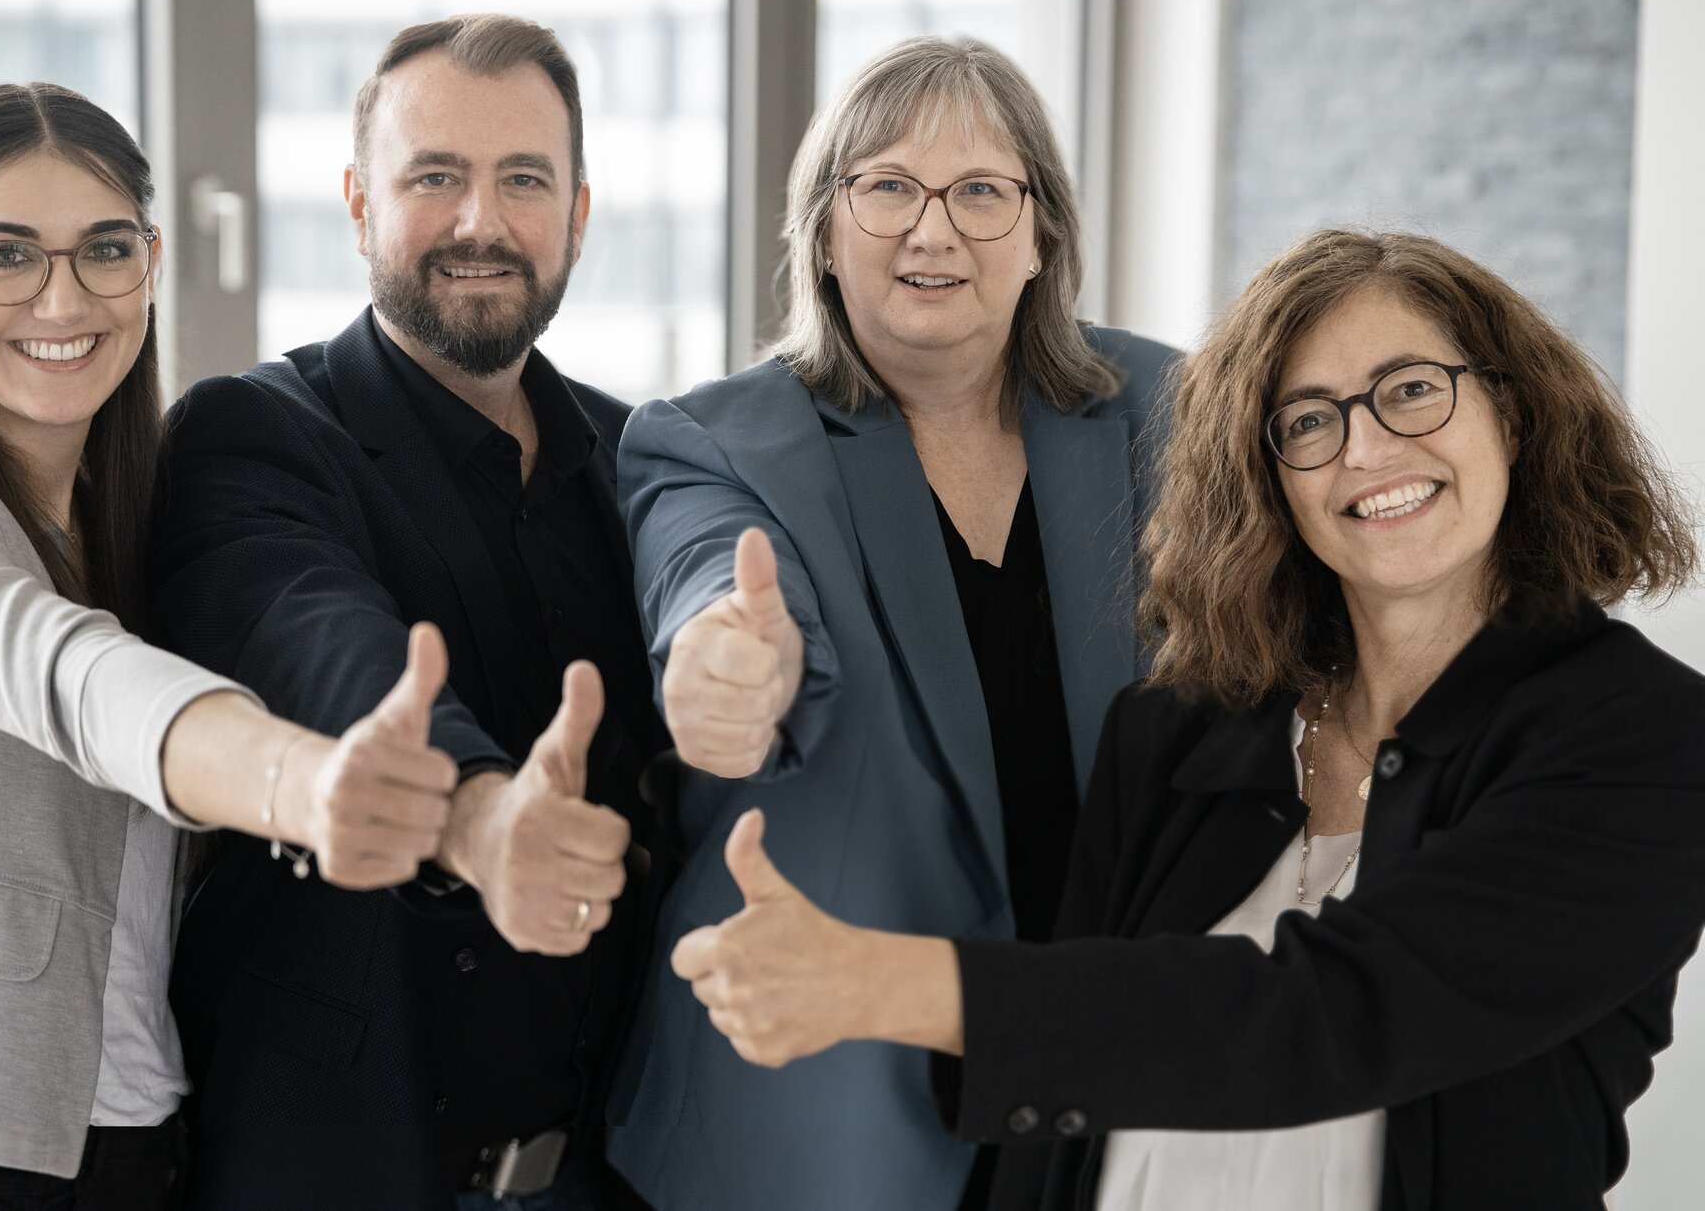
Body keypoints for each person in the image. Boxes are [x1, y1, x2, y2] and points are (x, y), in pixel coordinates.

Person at [669, 228, 1705, 1210]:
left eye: (1409, 391)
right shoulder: (1173, 729)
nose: (1366, 448)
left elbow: (1319, 1010)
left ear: (1510, 417)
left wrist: (874, 980)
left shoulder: (1644, 736)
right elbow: (1053, 1142)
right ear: (1268, 481)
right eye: (1307, 419)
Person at [0, 82, 473, 1211]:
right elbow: (62, 672)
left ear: (152, 259)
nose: (62, 295)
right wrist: (303, 779)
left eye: (103, 249)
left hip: (133, 1139)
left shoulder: (122, 512)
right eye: (4, 255)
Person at [605, 36, 1180, 1211]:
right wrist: (726, 668)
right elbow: (711, 581)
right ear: (822, 230)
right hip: (817, 1118)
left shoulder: (1170, 414)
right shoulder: (715, 439)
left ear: (1040, 234)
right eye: (885, 188)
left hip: (1103, 1081)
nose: (933, 231)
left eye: (980, 191)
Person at [146, 14, 670, 1211]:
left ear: (577, 214)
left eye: (522, 180)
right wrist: (480, 818)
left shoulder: (637, 455)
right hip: (341, 1175)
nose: (480, 223)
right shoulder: (254, 430)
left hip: (608, 1171)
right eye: (434, 177)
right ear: (356, 200)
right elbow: (315, 638)